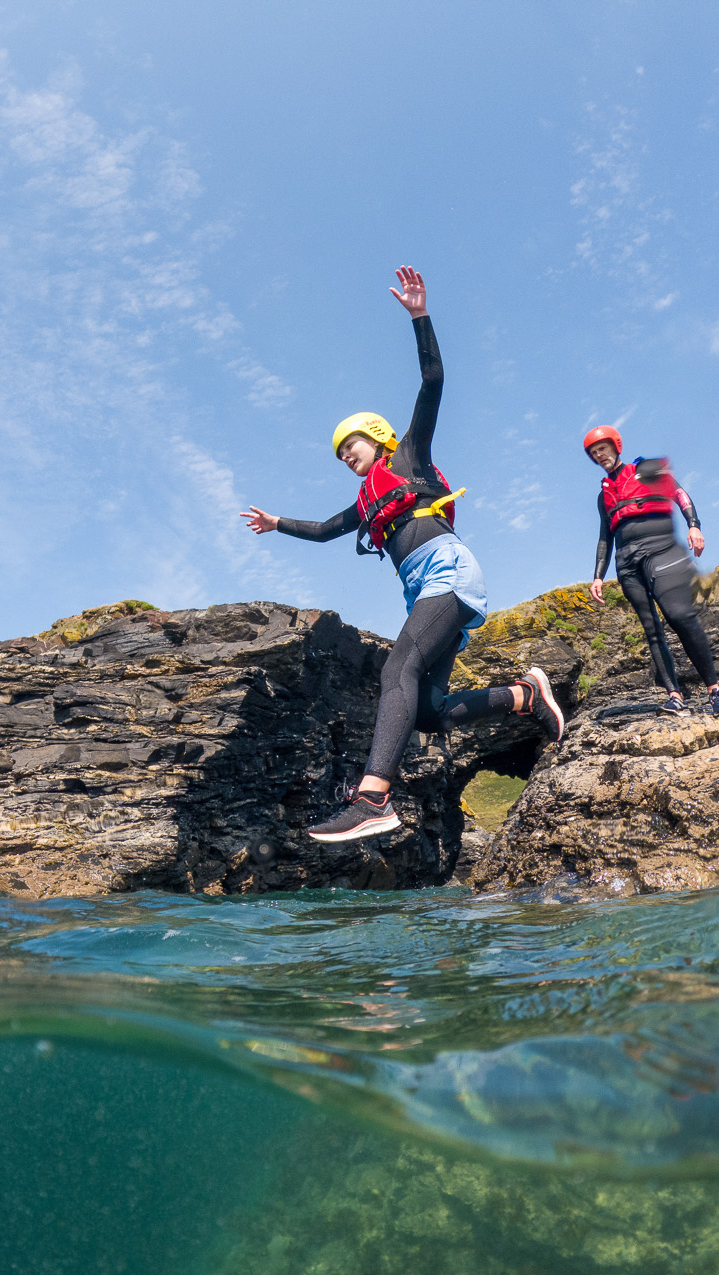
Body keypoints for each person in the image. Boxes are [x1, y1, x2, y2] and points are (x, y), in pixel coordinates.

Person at [241, 266, 563, 844]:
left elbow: (432, 382)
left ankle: (372, 798)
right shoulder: (366, 504)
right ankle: (524, 697)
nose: (346, 457)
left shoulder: (409, 458)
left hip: (449, 570)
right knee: (428, 711)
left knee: (398, 668)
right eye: (339, 454)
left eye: (351, 446)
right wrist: (276, 523)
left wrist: (420, 318)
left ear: (376, 436)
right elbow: (320, 530)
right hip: (424, 588)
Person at [585, 426, 719, 716]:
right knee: (652, 630)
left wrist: (693, 525)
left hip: (658, 550)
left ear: (615, 446)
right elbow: (605, 538)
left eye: (602, 448)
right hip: (627, 564)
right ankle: (675, 696)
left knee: (679, 616)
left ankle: (715, 691)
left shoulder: (644, 470)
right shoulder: (604, 495)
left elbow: (679, 493)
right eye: (593, 453)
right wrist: (597, 577)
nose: (599, 455)